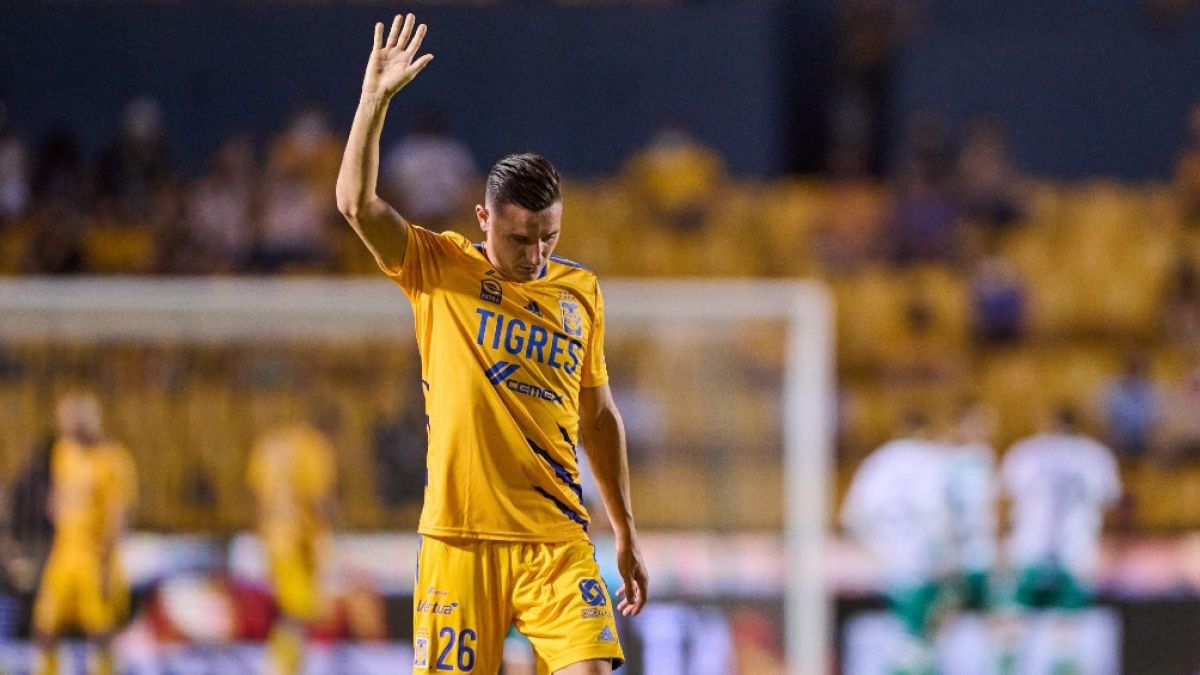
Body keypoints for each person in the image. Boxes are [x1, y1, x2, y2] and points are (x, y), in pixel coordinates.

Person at [335, 14, 648, 674]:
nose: (535, 254)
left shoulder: (580, 293)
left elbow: (598, 416)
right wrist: (372, 103)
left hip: (556, 540)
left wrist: (624, 529)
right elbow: (357, 206)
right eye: (519, 239)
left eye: (548, 237)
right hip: (460, 540)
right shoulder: (438, 267)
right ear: (484, 219)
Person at [1000, 406, 1121, 675]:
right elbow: (1110, 505)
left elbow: (1005, 503)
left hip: (1029, 546)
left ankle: (1009, 668)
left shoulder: (1025, 452)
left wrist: (1005, 542)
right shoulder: (1093, 455)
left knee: (1017, 618)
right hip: (1075, 549)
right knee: (1067, 621)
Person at [33, 393, 137, 675]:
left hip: (95, 556)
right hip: (64, 554)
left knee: (100, 631)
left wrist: (106, 561)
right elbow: (57, 495)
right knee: (44, 627)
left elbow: (119, 515)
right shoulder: (63, 451)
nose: (67, 428)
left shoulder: (113, 459)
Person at [841, 413, 949, 675]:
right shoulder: (931, 460)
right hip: (920, 565)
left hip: (882, 567)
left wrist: (875, 548)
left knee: (892, 641)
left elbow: (852, 516)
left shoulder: (879, 461)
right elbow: (940, 518)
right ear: (924, 432)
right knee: (918, 643)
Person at [246, 410, 338, 675]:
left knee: (296, 610)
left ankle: (287, 666)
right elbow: (318, 497)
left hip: (273, 539)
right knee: (297, 612)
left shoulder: (271, 443)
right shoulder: (314, 446)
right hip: (297, 540)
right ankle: (279, 668)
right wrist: (332, 531)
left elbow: (254, 494)